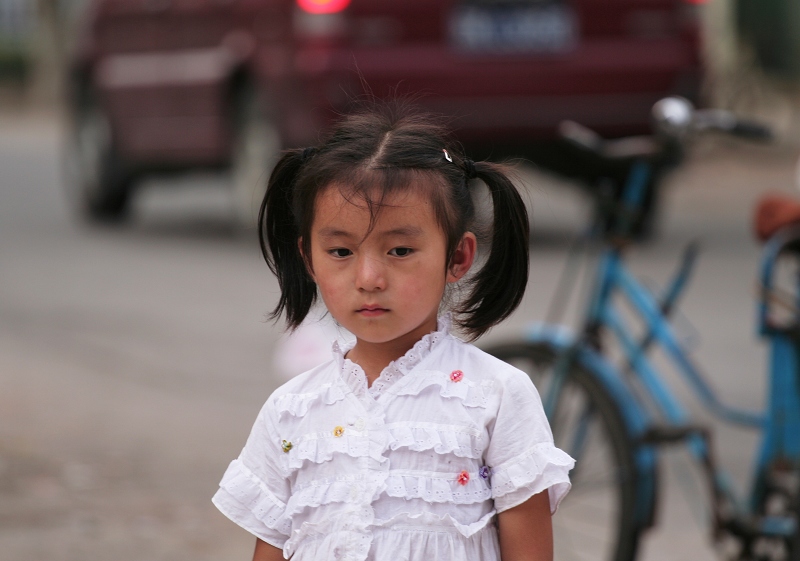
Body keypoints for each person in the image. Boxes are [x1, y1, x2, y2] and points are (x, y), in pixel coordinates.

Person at [212, 104, 575, 561]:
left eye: (400, 249)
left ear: (458, 258)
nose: (368, 277)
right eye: (341, 251)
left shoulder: (496, 396)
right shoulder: (291, 411)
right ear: (309, 259)